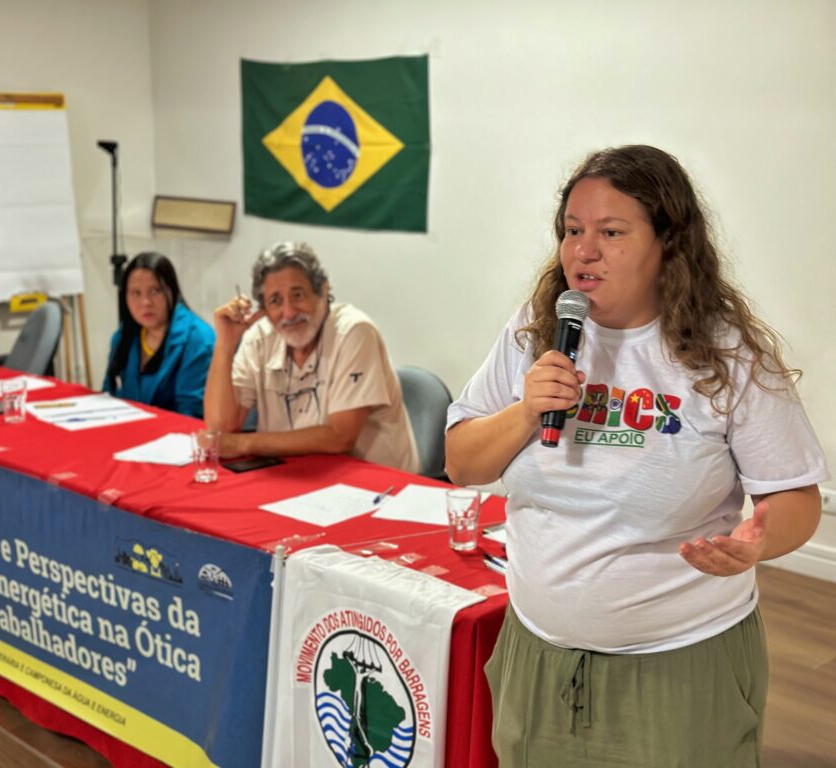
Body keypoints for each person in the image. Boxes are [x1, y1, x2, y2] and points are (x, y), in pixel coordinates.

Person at [445, 145, 829, 767]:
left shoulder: (726, 356)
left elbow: (796, 499)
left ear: (668, 245)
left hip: (678, 663)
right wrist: (524, 409)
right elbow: (463, 462)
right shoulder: (535, 331)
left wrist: (758, 543)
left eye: (611, 232)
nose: (582, 251)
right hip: (537, 652)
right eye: (572, 231)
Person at [203, 241, 419, 473]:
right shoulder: (259, 337)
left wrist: (245, 443)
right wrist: (225, 343)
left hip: (375, 485)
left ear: (323, 292)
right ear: (263, 310)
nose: (289, 312)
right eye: (275, 301)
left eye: (298, 295)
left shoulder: (353, 331)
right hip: (296, 477)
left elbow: (339, 436)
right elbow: (219, 428)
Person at [103, 252, 214, 418]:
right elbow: (108, 396)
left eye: (155, 291)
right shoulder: (123, 336)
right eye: (136, 293)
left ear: (172, 291)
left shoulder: (198, 340)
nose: (145, 302)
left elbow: (190, 413)